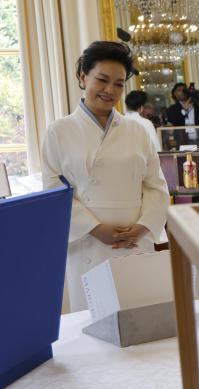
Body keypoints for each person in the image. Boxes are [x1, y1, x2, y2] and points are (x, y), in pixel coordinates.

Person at [41, 41, 169, 312]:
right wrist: (96, 229)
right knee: (93, 326)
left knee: (139, 322)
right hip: (87, 243)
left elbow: (156, 186)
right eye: (102, 80)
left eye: (119, 84)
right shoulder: (59, 131)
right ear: (83, 77)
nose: (110, 90)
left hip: (134, 242)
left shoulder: (137, 131)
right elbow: (54, 190)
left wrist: (144, 226)